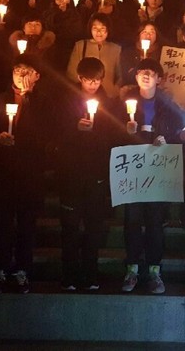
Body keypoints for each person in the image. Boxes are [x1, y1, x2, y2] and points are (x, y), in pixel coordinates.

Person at [119, 58, 185, 294]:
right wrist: (125, 131)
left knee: (154, 221)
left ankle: (154, 271)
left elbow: (180, 131)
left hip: (158, 168)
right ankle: (131, 269)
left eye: (151, 73)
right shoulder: (122, 103)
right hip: (132, 167)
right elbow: (108, 132)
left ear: (159, 78)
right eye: (141, 72)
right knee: (132, 220)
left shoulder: (168, 106)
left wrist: (171, 139)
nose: (145, 76)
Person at [0, 53, 52, 294]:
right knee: (2, 223)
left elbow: (47, 133)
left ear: (37, 76)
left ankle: (22, 269)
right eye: (17, 70)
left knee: (26, 224)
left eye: (27, 71)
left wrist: (29, 101)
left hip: (29, 171)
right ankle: (0, 270)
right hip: (3, 171)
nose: (21, 76)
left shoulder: (44, 102)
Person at [57, 57, 120, 291]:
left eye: (96, 80)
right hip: (71, 173)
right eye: (87, 80)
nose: (92, 84)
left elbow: (114, 137)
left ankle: (90, 273)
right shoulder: (66, 101)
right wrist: (75, 129)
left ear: (102, 79)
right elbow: (57, 133)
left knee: (94, 226)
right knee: (70, 226)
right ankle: (70, 273)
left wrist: (95, 133)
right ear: (79, 78)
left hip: (97, 173)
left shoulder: (111, 104)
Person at [66, 13, 122, 98]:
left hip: (108, 97)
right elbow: (72, 73)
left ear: (108, 30)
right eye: (95, 28)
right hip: (84, 96)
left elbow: (120, 75)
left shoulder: (116, 49)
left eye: (102, 28)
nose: (99, 32)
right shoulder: (80, 46)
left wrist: (115, 90)